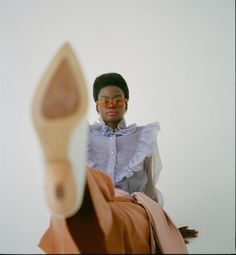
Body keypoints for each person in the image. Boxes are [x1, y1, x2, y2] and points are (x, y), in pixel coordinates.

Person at [32, 43, 197, 254]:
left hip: (130, 204)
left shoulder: (144, 137)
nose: (111, 104)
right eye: (105, 100)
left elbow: (149, 184)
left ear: (126, 104)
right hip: (91, 201)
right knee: (69, 213)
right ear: (97, 106)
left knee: (116, 220)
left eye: (118, 99)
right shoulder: (83, 137)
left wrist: (160, 225)